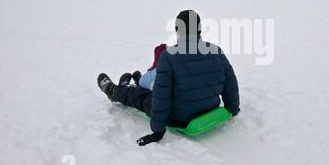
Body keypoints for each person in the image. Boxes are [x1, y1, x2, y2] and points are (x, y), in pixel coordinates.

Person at [97, 10, 240, 146]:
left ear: (178, 30)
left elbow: (161, 96)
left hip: (178, 116)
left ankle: (114, 91)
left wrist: (158, 131)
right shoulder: (216, 51)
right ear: (199, 28)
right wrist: (232, 109)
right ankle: (127, 88)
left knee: (141, 97)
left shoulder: (169, 56)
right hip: (210, 107)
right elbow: (230, 84)